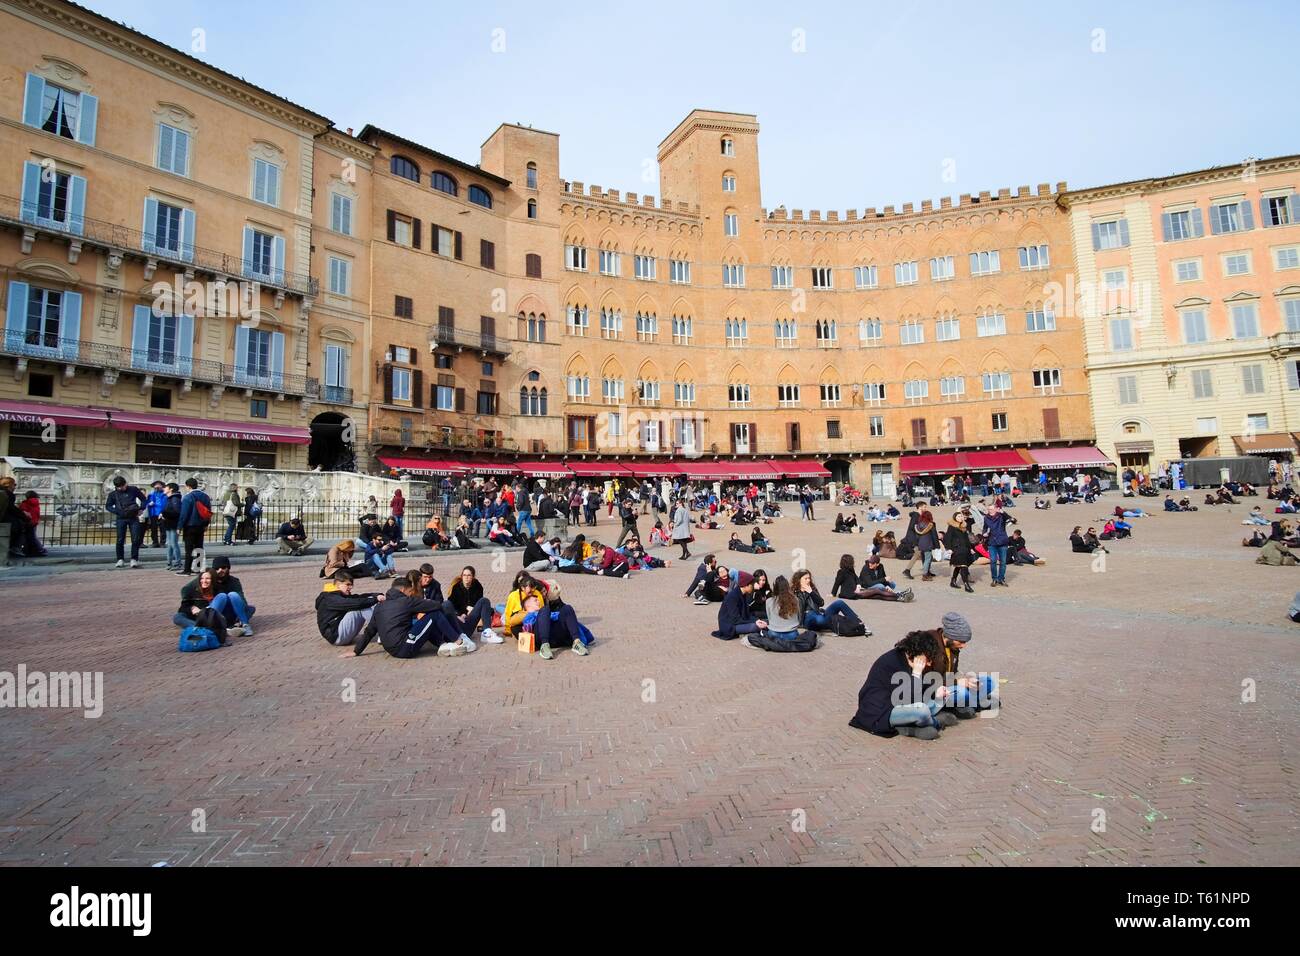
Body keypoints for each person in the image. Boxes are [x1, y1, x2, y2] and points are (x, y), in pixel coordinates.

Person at [847, 629, 953, 740]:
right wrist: (916, 673)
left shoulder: (911, 659)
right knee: (922, 710)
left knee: (939, 700)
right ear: (920, 653)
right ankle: (934, 722)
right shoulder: (892, 662)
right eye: (929, 658)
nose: (929, 663)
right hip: (881, 713)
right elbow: (908, 699)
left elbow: (920, 690)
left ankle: (913, 725)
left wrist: (938, 692)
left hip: (900, 706)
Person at [352, 571, 473, 659]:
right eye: (409, 592)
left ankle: (443, 645)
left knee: (425, 620)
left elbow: (370, 631)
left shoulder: (380, 606)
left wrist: (356, 651)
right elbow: (436, 606)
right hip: (405, 648)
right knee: (434, 614)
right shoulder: (406, 601)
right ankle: (458, 641)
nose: (410, 594)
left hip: (391, 650)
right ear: (403, 590)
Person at [935, 612, 997, 718]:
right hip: (937, 690)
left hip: (951, 684)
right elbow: (931, 680)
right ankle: (968, 704)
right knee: (962, 692)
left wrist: (966, 679)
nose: (963, 646)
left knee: (988, 681)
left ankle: (969, 703)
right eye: (961, 641)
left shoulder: (954, 648)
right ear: (949, 636)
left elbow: (954, 671)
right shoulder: (932, 649)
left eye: (965, 642)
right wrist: (957, 682)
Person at [316, 569, 385, 646]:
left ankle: (385, 630)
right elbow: (357, 603)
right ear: (338, 584)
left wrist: (376, 595)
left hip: (338, 631)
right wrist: (375, 599)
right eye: (348, 584)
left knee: (367, 603)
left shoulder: (337, 595)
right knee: (361, 607)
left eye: (351, 585)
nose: (351, 587)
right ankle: (383, 633)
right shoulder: (330, 598)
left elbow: (358, 597)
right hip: (336, 636)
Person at [792, 569, 866, 633]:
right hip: (807, 618)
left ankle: (858, 623)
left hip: (818, 613)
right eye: (806, 578)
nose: (808, 580)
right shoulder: (794, 592)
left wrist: (811, 592)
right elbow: (799, 610)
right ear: (799, 580)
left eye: (809, 578)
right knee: (820, 620)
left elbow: (821, 603)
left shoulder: (812, 589)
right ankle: (840, 624)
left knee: (839, 603)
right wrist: (802, 592)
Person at [172, 569, 230, 645]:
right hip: (195, 618)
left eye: (208, 578)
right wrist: (192, 608)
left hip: (210, 617)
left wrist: (203, 612)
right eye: (202, 578)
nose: (204, 581)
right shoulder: (192, 591)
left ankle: (201, 631)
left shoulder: (218, 591)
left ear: (213, 580)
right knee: (177, 617)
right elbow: (183, 607)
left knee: (222, 597)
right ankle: (204, 629)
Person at [446, 565, 502, 642]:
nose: (466, 577)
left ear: (473, 576)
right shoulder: (456, 588)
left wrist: (472, 609)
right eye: (464, 575)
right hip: (458, 621)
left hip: (470, 620)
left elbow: (479, 604)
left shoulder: (477, 586)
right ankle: (454, 637)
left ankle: (487, 633)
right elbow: (451, 606)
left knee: (484, 600)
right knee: (446, 604)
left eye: (469, 575)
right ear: (461, 576)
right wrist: (459, 614)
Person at [105, 475, 147, 568]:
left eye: (122, 486)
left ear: (125, 484)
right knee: (120, 539)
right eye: (118, 487)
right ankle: (120, 559)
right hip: (121, 518)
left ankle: (134, 559)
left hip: (133, 517)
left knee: (135, 539)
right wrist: (117, 511)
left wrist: (141, 509)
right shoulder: (113, 494)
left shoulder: (133, 489)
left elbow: (144, 499)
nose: (121, 488)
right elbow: (108, 506)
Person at [711, 574, 769, 641]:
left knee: (765, 622)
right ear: (745, 585)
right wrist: (755, 622)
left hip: (739, 621)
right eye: (752, 585)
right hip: (730, 626)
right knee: (756, 626)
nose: (753, 587)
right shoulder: (732, 597)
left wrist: (756, 620)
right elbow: (735, 619)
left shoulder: (743, 594)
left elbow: (747, 614)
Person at [210, 556, 255, 636]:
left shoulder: (234, 581)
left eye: (223, 567)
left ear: (228, 568)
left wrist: (241, 609)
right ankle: (233, 625)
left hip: (231, 610)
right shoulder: (208, 579)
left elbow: (242, 599)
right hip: (217, 610)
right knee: (222, 596)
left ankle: (244, 625)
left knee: (249, 607)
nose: (220, 570)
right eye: (217, 568)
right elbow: (186, 589)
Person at [979, 503, 1015, 588]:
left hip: (1002, 541)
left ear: (995, 509)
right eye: (988, 509)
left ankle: (1001, 579)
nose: (989, 511)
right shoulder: (986, 518)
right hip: (992, 542)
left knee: (1003, 562)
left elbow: (1011, 519)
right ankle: (994, 579)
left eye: (991, 509)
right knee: (993, 561)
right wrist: (984, 533)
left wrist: (1002, 512)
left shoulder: (1001, 516)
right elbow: (985, 527)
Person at [902, 510, 940, 582]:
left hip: (920, 544)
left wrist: (916, 544)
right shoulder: (930, 525)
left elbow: (917, 536)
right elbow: (934, 536)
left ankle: (927, 572)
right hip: (928, 543)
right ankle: (925, 575)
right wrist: (937, 545)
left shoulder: (918, 525)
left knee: (925, 558)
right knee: (928, 559)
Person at [764, 576, 805, 640]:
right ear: (787, 587)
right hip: (791, 634)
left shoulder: (769, 601)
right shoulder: (795, 600)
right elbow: (799, 618)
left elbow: (769, 618)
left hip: (773, 634)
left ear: (775, 588)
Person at [944, 512, 975, 593]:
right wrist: (949, 548)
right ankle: (966, 585)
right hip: (957, 549)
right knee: (964, 566)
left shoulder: (964, 527)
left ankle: (953, 581)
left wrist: (970, 548)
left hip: (965, 549)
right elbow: (947, 538)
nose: (960, 517)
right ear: (955, 518)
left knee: (958, 566)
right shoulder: (952, 527)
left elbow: (967, 540)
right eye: (958, 516)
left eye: (961, 516)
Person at [15, 491, 47, 557]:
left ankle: (40, 549)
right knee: (31, 536)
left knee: (31, 537)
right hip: (34, 521)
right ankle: (29, 550)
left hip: (27, 521)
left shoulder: (25, 503)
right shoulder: (36, 503)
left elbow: (22, 511)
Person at [146, 480, 168, 549]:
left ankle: (162, 542)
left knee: (163, 529)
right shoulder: (151, 495)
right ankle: (155, 542)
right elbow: (146, 504)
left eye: (159, 485)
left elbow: (166, 504)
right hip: (153, 513)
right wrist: (149, 504)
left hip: (162, 513)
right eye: (156, 485)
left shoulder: (165, 495)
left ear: (162, 486)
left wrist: (163, 512)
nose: (157, 487)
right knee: (153, 529)